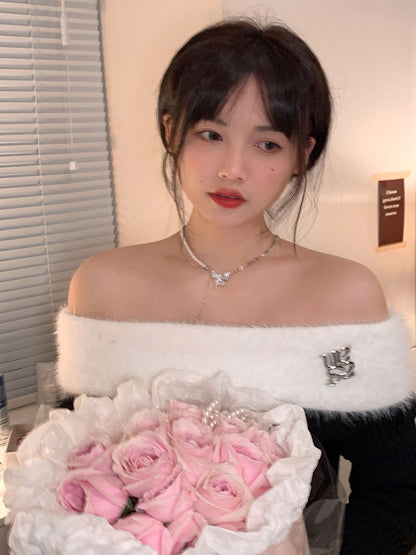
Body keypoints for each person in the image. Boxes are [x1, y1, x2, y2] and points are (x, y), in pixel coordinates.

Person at [56, 20, 416, 554]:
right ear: (171, 132)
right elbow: (74, 472)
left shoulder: (345, 296)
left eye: (267, 144)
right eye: (211, 135)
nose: (232, 169)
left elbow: (395, 486)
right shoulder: (102, 286)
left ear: (302, 156)